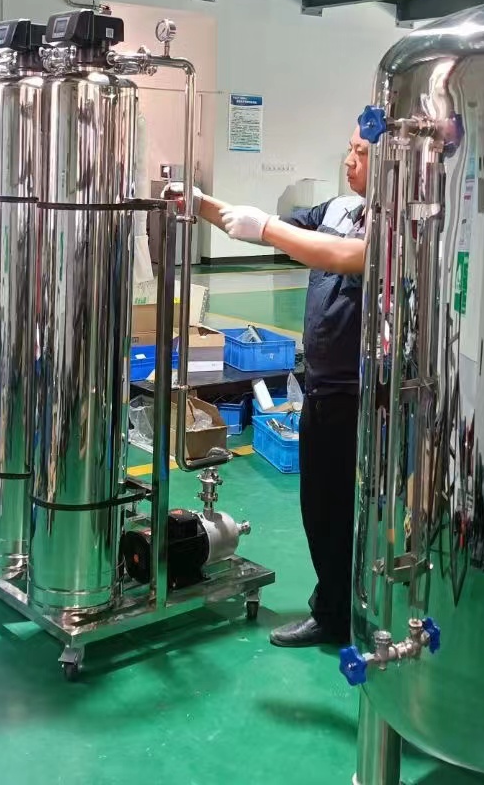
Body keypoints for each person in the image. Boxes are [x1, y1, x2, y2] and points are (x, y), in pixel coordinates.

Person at [167, 129, 371, 648]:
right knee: (320, 507)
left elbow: (344, 256)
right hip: (322, 387)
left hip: (364, 394)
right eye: (349, 149)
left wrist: (267, 226)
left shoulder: (396, 226)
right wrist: (202, 204)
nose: (350, 161)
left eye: (363, 153)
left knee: (355, 509)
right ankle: (334, 608)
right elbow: (263, 229)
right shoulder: (340, 208)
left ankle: (349, 612)